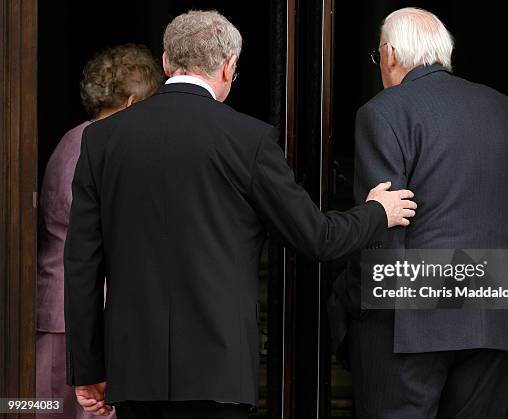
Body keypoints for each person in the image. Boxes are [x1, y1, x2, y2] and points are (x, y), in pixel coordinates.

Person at [63, 10, 417, 419]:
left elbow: (82, 264)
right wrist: (378, 212)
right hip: (219, 373)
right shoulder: (248, 139)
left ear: (165, 61)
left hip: (133, 371)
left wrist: (88, 368)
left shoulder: (102, 139)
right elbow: (316, 237)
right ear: (230, 66)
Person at [328, 8, 508, 419]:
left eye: (378, 58)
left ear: (389, 53)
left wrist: (353, 306)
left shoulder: (383, 111)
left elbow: (382, 230)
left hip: (412, 322)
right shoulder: (500, 107)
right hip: (499, 309)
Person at [37, 44, 163, 418]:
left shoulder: (73, 138)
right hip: (78, 315)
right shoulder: (99, 147)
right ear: (131, 103)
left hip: (59, 307)